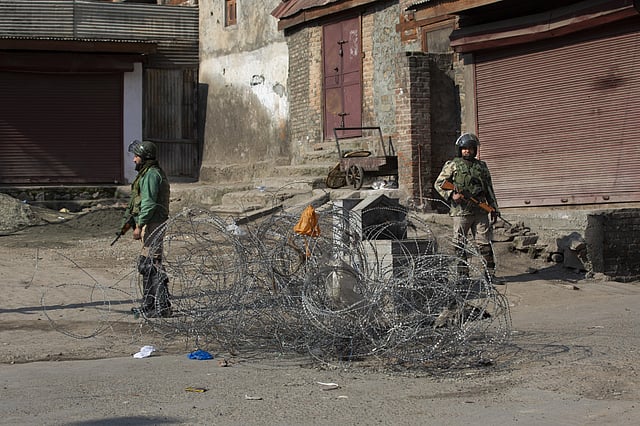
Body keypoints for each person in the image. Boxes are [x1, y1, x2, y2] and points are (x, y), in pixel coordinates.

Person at [434, 133, 502, 283]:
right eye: (464, 148)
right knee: (459, 244)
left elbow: (489, 188)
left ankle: (490, 275)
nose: (467, 151)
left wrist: (494, 208)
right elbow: (439, 184)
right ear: (460, 150)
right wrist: (451, 195)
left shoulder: (481, 166)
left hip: (480, 210)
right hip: (461, 211)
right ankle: (463, 276)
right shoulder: (453, 165)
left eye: (471, 148)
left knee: (484, 244)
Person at [122, 140, 172, 317]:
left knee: (152, 265)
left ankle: (161, 307)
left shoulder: (151, 175)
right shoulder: (148, 173)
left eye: (137, 156)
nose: (134, 159)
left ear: (144, 158)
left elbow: (149, 204)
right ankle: (149, 304)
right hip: (151, 222)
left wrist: (139, 225)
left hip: (153, 223)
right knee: (146, 264)